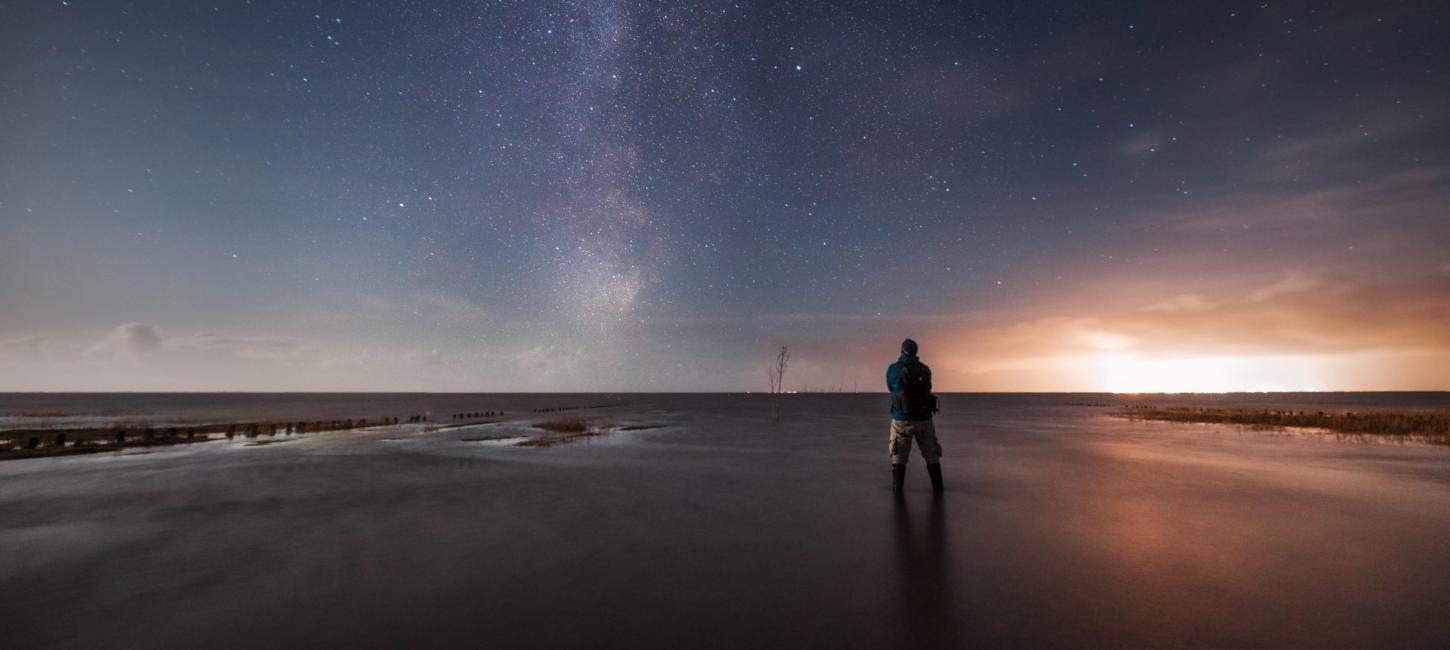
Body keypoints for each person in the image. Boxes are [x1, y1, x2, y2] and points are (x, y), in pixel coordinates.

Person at [886, 338, 942, 492]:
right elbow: (928, 387)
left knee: (898, 456)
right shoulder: (925, 369)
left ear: (901, 351)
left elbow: (891, 387)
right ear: (916, 351)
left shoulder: (893, 369)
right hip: (924, 418)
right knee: (932, 455)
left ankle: (898, 492)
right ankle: (938, 489)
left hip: (901, 419)